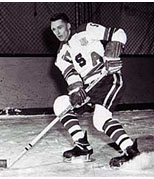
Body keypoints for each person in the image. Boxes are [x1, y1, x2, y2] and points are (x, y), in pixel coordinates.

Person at [50, 13, 140, 167]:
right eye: (53, 30)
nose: (57, 32)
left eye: (60, 27)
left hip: (108, 79)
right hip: (89, 88)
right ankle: (82, 145)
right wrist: (76, 92)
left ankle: (131, 151)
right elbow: (71, 77)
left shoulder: (86, 30)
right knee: (61, 104)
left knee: (100, 119)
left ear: (68, 26)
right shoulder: (60, 56)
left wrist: (112, 54)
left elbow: (118, 33)